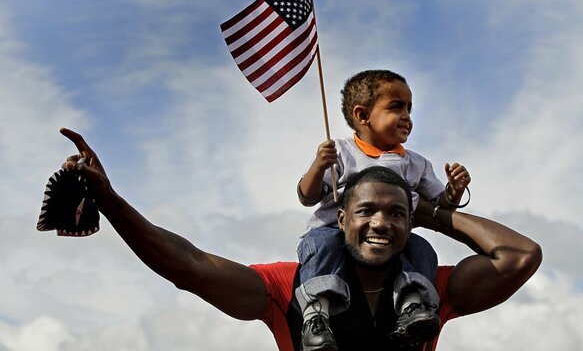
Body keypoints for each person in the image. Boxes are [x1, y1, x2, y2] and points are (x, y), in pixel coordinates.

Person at [57, 128, 542, 351]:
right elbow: (189, 266)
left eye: (395, 214)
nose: (381, 223)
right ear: (340, 219)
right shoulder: (290, 287)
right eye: (366, 211)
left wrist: (430, 214)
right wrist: (111, 201)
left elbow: (521, 256)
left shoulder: (428, 289)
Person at [296, 70, 470, 349]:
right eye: (396, 107)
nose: (407, 117)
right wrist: (318, 166)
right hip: (332, 232)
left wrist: (455, 189)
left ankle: (414, 307)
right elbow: (308, 196)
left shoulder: (416, 163)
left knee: (421, 248)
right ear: (362, 116)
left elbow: (439, 205)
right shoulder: (341, 152)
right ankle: (317, 316)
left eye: (409, 109)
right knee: (321, 247)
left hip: (389, 241)